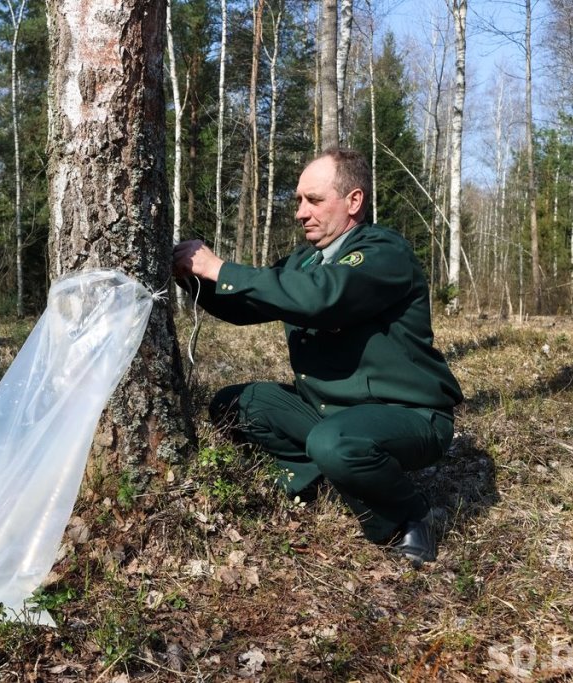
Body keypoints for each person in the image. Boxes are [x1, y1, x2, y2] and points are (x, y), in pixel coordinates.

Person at [172, 148, 463, 567]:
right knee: (236, 404)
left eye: (314, 199)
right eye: (298, 201)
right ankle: (318, 478)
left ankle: (408, 513)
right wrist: (191, 275)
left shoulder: (383, 253)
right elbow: (246, 305)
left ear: (354, 201)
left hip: (408, 415)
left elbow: (323, 298)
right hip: (330, 412)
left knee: (336, 442)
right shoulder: (307, 260)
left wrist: (221, 267)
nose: (300, 212)